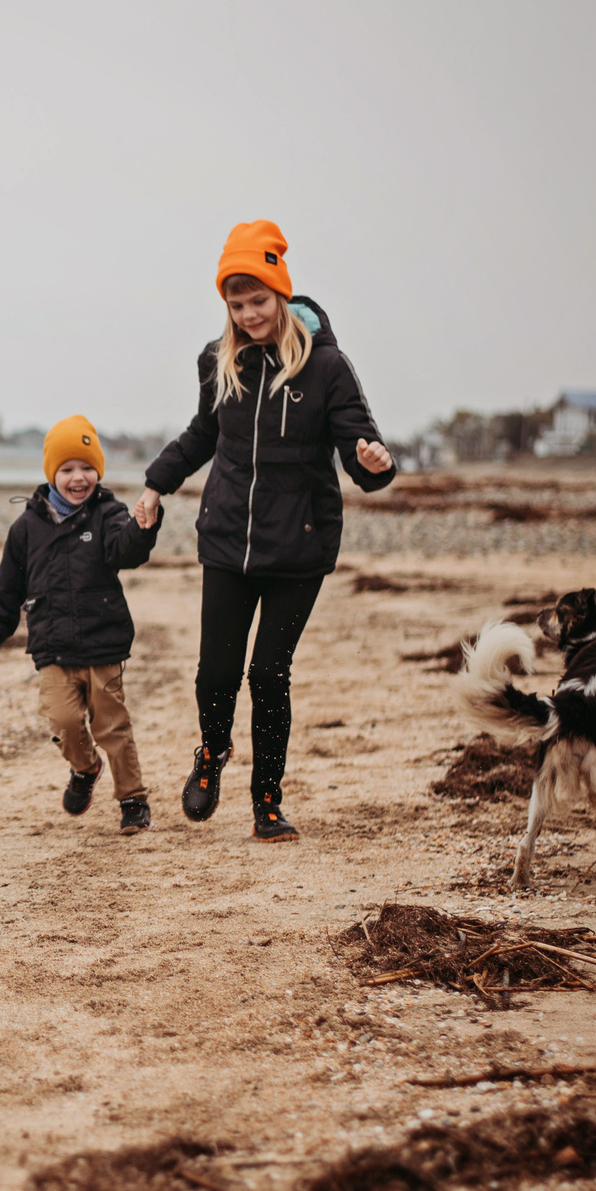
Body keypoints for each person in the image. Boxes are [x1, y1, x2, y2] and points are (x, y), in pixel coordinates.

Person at [131, 220, 395, 842]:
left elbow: (358, 446)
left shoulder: (327, 366)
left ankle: (267, 802)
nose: (249, 314)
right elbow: (204, 435)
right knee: (215, 673)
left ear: (281, 292)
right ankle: (212, 751)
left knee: (269, 674)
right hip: (226, 536)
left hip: (299, 546)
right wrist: (154, 484)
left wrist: (373, 462)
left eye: (258, 300)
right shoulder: (217, 360)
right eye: (236, 302)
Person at [0, 415, 160, 834]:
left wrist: (143, 528)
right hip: (52, 646)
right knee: (63, 721)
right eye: (68, 469)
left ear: (99, 471)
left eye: (87, 467)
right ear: (52, 474)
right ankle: (85, 767)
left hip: (103, 642)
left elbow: (125, 551)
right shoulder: (26, 528)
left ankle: (132, 800)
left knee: (113, 726)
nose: (79, 478)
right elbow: (8, 588)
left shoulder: (109, 514)